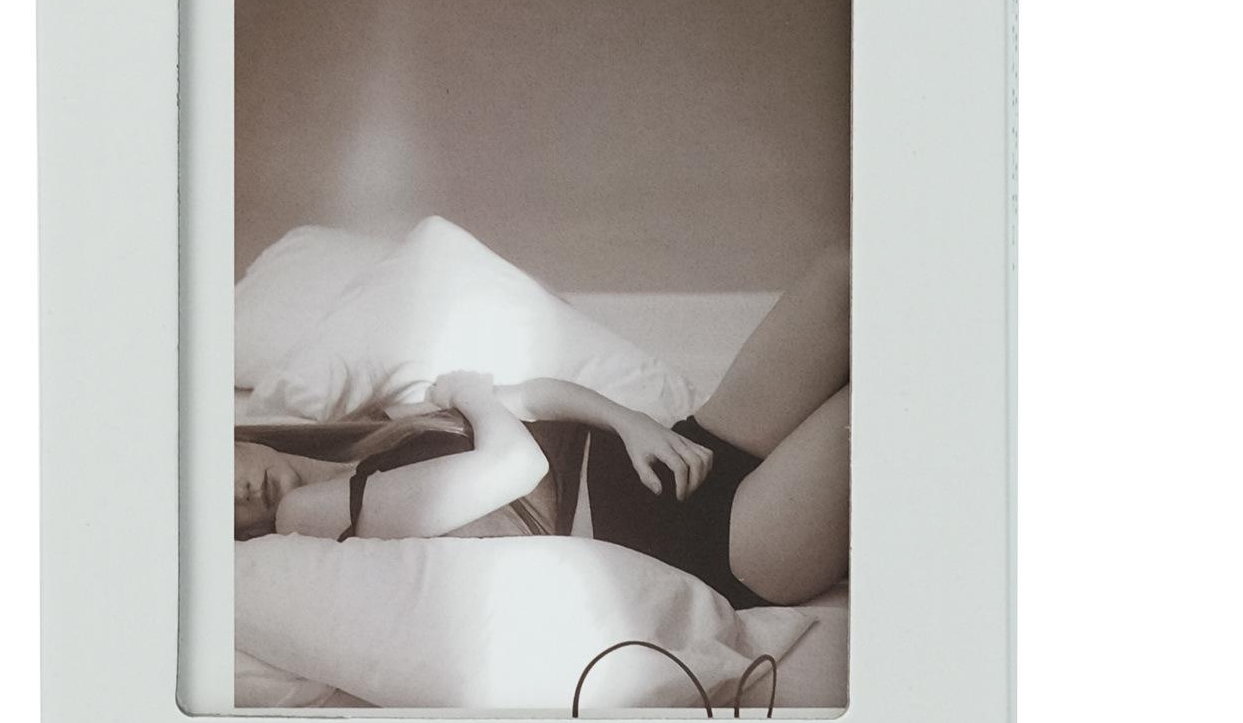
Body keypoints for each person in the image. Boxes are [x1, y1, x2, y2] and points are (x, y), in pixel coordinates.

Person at [234, 241, 850, 607]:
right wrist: (473, 395)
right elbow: (514, 465)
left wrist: (632, 423)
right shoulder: (301, 517)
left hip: (695, 444)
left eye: (220, 473)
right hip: (720, 541)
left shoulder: (380, 433)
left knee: (844, 272)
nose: (237, 493)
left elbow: (537, 396)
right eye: (219, 513)